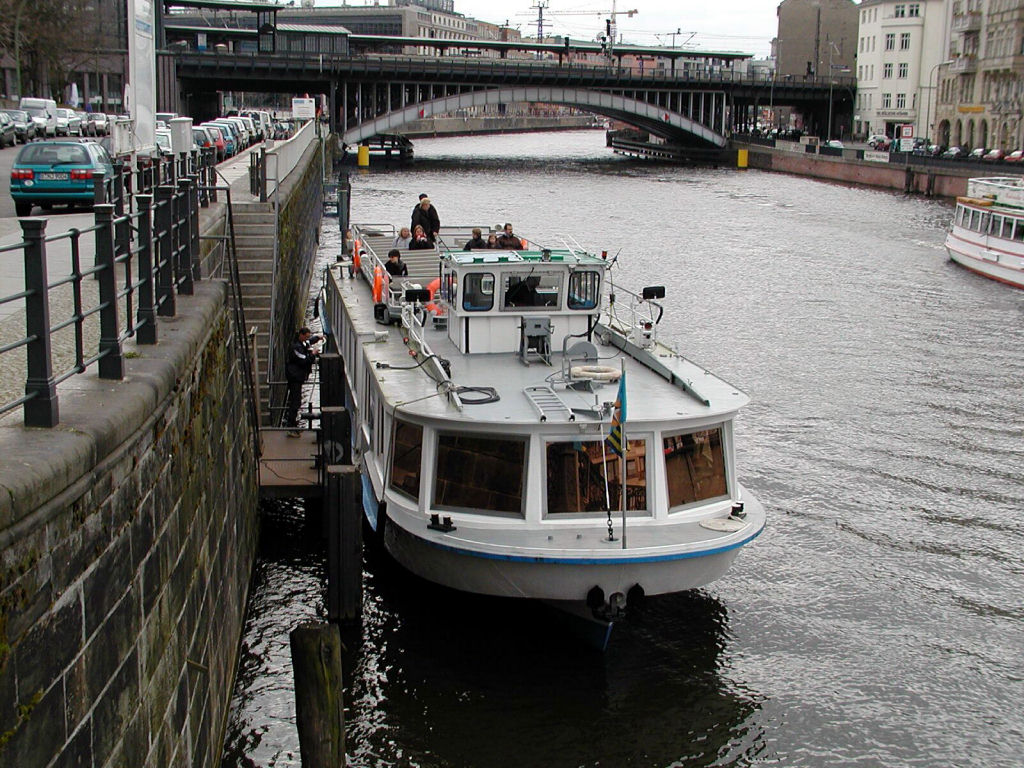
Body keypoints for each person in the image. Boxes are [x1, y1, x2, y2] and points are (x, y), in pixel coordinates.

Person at [284, 327, 321, 437]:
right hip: (294, 378)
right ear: (301, 335)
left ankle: (294, 425)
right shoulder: (295, 348)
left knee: (297, 402)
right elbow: (304, 360)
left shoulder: (301, 343)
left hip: (297, 377)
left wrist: (317, 338)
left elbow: (308, 342)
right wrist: (313, 354)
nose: (307, 339)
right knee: (295, 403)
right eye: (306, 336)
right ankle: (291, 428)